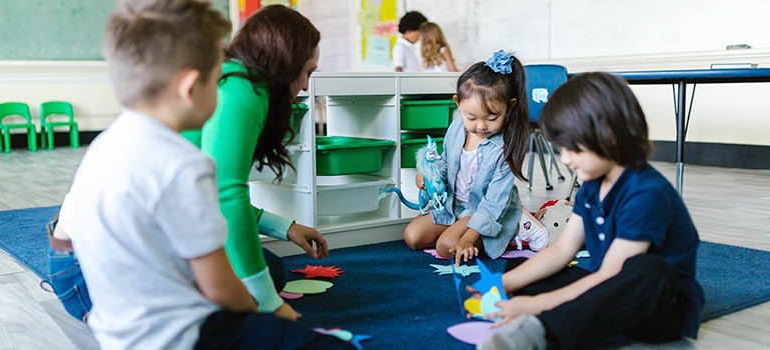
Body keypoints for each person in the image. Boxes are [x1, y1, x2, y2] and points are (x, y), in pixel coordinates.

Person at [63, 1, 352, 348]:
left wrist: (278, 236)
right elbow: (224, 205)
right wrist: (262, 306)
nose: (225, 88)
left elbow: (199, 205)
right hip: (177, 334)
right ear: (190, 88)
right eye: (219, 79)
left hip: (116, 320)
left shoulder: (106, 144)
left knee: (266, 270)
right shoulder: (186, 162)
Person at [476, 72, 705, 350]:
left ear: (608, 136)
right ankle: (575, 312)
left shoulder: (646, 193)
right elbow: (562, 251)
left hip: (659, 308)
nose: (565, 159)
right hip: (609, 292)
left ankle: (543, 332)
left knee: (649, 269)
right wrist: (503, 283)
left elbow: (611, 273)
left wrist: (535, 306)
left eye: (571, 148)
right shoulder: (591, 186)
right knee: (525, 269)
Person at [199, 4, 328, 320]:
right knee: (255, 286)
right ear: (286, 60)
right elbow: (225, 196)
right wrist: (271, 305)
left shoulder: (235, 79)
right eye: (308, 71)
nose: (306, 86)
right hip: (94, 269)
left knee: (268, 270)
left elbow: (212, 193)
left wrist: (287, 228)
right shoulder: (242, 88)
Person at [402, 50, 536, 266]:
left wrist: (469, 237)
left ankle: (494, 233)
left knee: (446, 248)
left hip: (483, 210)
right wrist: (428, 175)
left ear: (509, 107)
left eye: (492, 118)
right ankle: (456, 230)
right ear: (458, 104)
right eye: (471, 117)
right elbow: (445, 162)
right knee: (412, 237)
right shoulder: (456, 128)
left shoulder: (505, 147)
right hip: (453, 207)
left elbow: (493, 203)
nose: (481, 126)